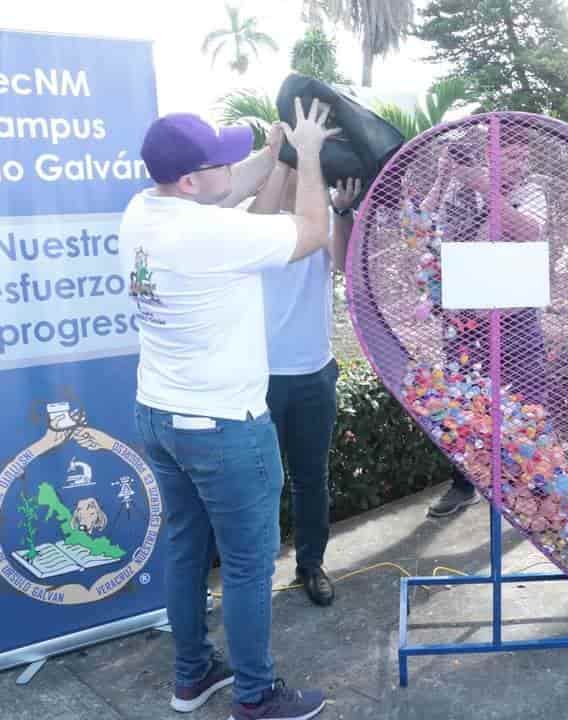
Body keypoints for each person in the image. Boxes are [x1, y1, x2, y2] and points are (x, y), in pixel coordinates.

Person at [120, 98, 339, 719]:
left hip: (160, 416)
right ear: (190, 180)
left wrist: (274, 155)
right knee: (247, 565)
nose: (230, 167)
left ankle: (191, 675)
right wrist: (312, 157)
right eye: (219, 160)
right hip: (222, 427)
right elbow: (313, 231)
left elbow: (228, 185)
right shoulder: (211, 234)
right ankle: (256, 694)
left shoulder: (144, 209)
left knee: (188, 547)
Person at [418, 132, 550, 516]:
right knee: (464, 404)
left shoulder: (532, 192)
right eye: (510, 157)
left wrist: (485, 187)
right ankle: (464, 484)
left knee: (528, 402)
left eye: (524, 157)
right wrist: (445, 178)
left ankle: (534, 486)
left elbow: (528, 232)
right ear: (489, 158)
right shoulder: (457, 193)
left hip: (516, 319)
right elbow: (421, 230)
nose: (519, 165)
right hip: (465, 322)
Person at [251, 154, 362, 607]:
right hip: (260, 378)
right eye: (299, 167)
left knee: (310, 478)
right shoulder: (257, 227)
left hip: (315, 373)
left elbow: (345, 263)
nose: (308, 179)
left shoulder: (322, 223)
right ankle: (253, 575)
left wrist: (342, 210)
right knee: (258, 483)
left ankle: (310, 564)